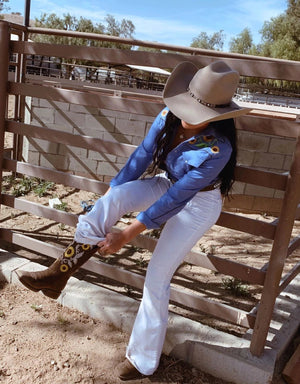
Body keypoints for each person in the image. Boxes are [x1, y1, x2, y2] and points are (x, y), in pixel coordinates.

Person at [17, 60, 251, 380]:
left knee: (156, 276)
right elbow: (141, 157)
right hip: (169, 184)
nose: (188, 114)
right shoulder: (168, 116)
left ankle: (143, 361)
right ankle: (60, 273)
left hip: (198, 204)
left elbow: (178, 198)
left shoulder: (217, 149)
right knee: (113, 197)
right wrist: (114, 196)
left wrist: (126, 234)